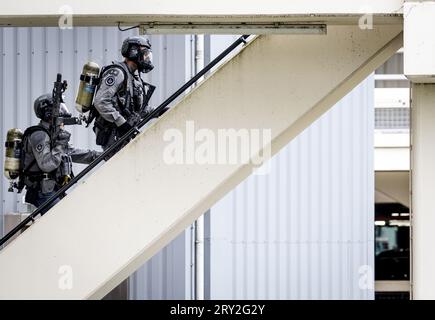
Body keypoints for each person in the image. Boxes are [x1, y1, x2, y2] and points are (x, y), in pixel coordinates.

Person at [22, 93, 101, 214]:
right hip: (42, 193)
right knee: (65, 218)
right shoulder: (39, 135)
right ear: (48, 112)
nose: (62, 110)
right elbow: (47, 164)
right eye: (58, 107)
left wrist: (100, 156)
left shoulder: (52, 133)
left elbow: (72, 152)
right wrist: (60, 144)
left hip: (54, 189)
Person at [93, 36, 159, 151]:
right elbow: (101, 101)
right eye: (145, 53)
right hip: (113, 134)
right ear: (133, 52)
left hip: (125, 134)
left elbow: (138, 111)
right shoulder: (117, 73)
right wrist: (122, 123)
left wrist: (159, 111)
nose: (147, 57)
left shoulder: (134, 77)